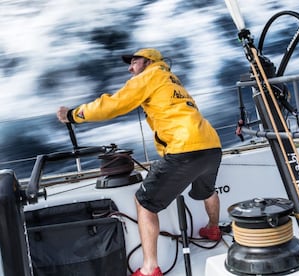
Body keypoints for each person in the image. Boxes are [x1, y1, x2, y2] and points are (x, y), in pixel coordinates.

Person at [56, 48, 222, 276]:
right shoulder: (171, 78)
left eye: (134, 62)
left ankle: (149, 268)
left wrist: (74, 114)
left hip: (184, 148)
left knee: (144, 202)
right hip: (211, 145)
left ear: (148, 62)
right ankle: (213, 230)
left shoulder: (148, 76)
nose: (130, 68)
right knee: (208, 190)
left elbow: (112, 105)